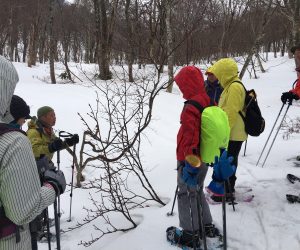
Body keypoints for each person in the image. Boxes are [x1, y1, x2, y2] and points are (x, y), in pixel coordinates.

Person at [0, 55, 66, 250]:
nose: (54, 118)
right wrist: (53, 186)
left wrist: (60, 144)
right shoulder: (14, 140)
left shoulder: (46, 130)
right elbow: (22, 211)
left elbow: (48, 143)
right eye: (51, 115)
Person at [169, 66, 220, 248]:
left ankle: (190, 233)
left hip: (190, 159)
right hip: (204, 156)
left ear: (188, 84)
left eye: (182, 85)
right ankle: (206, 226)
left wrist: (190, 165)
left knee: (185, 193)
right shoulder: (208, 100)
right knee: (197, 190)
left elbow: (190, 136)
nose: (181, 89)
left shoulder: (192, 106)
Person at [206, 58, 248, 201]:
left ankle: (227, 191)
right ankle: (224, 189)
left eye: (219, 73)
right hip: (231, 132)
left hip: (233, 133)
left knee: (229, 162)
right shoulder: (230, 85)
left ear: (225, 73)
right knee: (228, 160)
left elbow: (230, 113)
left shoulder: (235, 86)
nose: (216, 76)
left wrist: (222, 133)